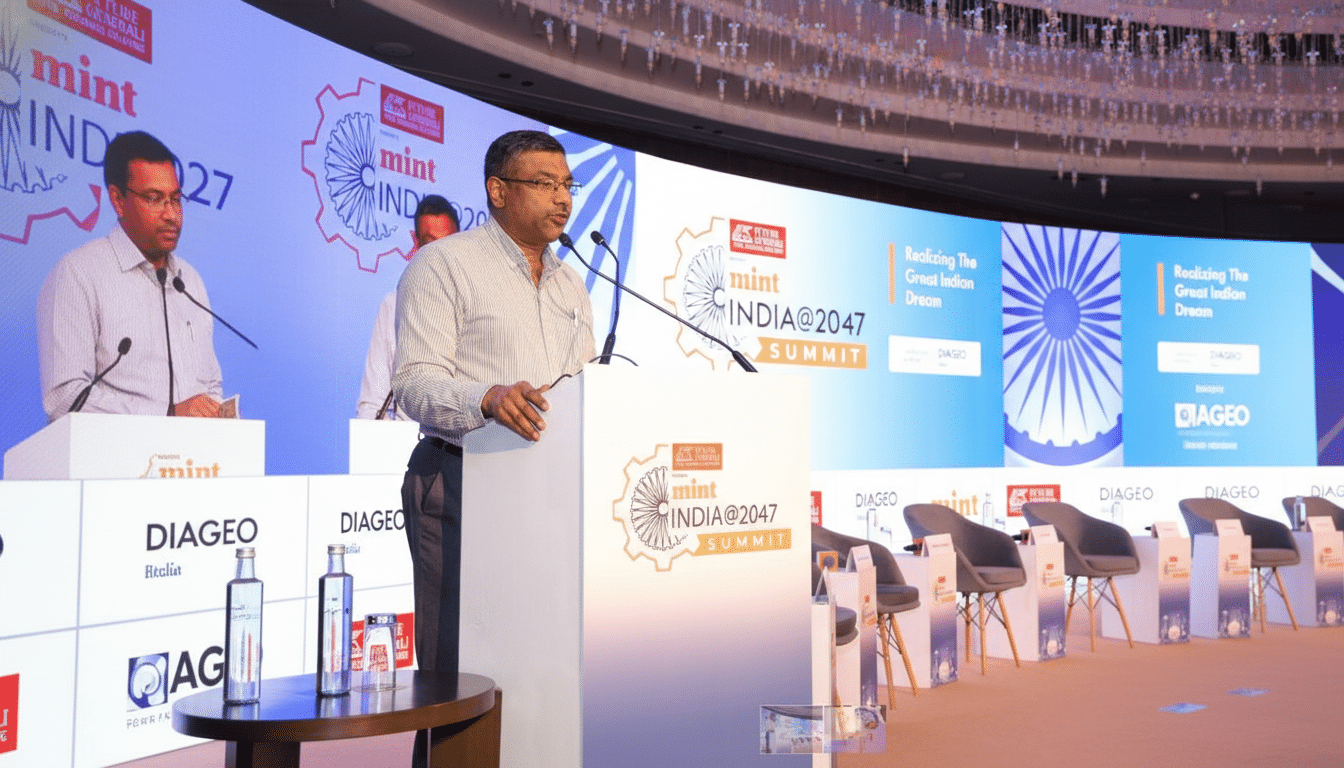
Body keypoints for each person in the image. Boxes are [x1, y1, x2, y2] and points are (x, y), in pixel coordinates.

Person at [393, 130, 595, 679]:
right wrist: (486, 397)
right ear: (498, 191)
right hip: (460, 482)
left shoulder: (571, 284)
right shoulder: (443, 265)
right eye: (545, 183)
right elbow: (413, 382)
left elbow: (584, 388)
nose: (563, 199)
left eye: (567, 184)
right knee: (457, 674)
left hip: (550, 493)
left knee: (537, 666)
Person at [36, 131, 223, 419]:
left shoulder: (191, 281)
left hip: (190, 462)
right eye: (154, 198)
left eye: (176, 199)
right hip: (114, 461)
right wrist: (166, 415)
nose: (172, 214)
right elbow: (66, 398)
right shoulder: (78, 274)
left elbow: (210, 385)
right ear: (118, 200)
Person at [355, 195, 460, 420]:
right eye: (430, 244)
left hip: (465, 448)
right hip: (409, 447)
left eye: (447, 245)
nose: (438, 255)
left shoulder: (474, 306)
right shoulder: (393, 305)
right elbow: (373, 402)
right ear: (416, 243)